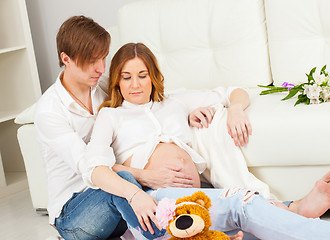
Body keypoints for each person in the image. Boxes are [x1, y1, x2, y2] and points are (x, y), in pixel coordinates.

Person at [34, 16, 328, 240]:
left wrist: (224, 111)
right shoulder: (89, 113)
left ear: (153, 76)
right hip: (85, 206)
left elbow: (231, 93)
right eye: (124, 77)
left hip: (148, 196)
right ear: (66, 60)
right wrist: (143, 182)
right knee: (239, 204)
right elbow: (93, 167)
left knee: (238, 209)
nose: (100, 68)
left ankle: (293, 209)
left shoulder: (114, 94)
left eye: (103, 59)